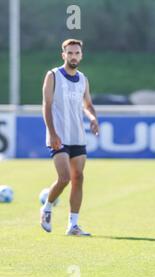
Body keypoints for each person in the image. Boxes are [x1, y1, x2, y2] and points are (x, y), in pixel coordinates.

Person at [40, 39, 99, 236]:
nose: (74, 56)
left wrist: (92, 118)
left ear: (81, 55)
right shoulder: (53, 75)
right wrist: (53, 132)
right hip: (59, 136)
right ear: (63, 55)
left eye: (77, 53)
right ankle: (47, 208)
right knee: (64, 177)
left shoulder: (83, 78)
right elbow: (46, 106)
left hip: (78, 137)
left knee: (78, 178)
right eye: (70, 53)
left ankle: (73, 225)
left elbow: (87, 104)